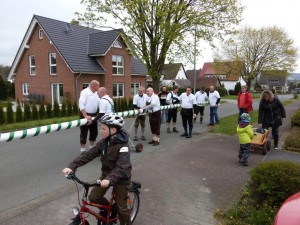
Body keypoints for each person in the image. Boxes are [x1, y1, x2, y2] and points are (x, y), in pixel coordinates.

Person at [62, 113, 132, 225]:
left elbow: (122, 167)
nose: (101, 131)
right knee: (93, 197)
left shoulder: (123, 146)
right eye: (101, 128)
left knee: (121, 208)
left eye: (103, 128)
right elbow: (88, 154)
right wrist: (72, 166)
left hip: (121, 179)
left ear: (113, 130)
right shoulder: (104, 142)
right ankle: (106, 210)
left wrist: (109, 179)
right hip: (106, 176)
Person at [78, 80, 100, 153]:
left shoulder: (97, 93)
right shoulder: (84, 92)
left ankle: (91, 148)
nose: (99, 87)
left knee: (94, 132)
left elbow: (100, 103)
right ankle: (82, 150)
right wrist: (85, 116)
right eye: (98, 86)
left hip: (94, 114)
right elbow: (81, 105)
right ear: (94, 86)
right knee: (84, 132)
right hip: (85, 114)